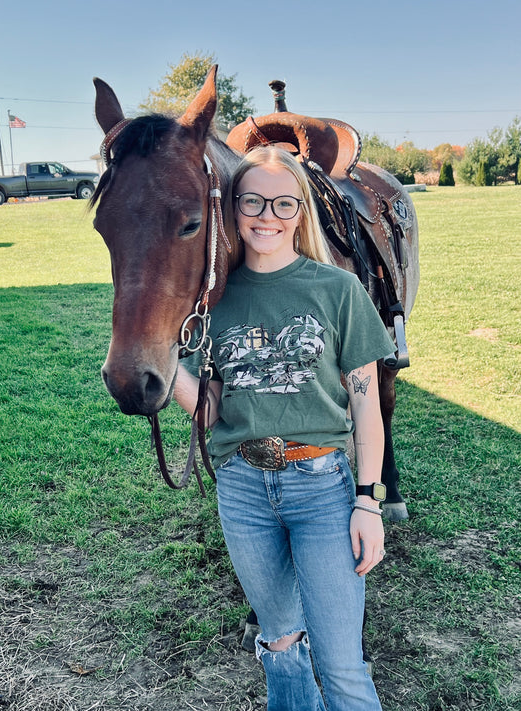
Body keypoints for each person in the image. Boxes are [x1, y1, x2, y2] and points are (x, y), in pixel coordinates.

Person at [174, 146, 395, 710]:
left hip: (322, 486)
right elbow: (212, 413)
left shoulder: (337, 290)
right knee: (279, 642)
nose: (266, 215)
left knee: (342, 662)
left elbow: (366, 408)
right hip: (243, 490)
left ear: (301, 212)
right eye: (252, 200)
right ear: (232, 208)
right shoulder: (213, 302)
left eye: (283, 203)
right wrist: (163, 363)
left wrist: (368, 502)